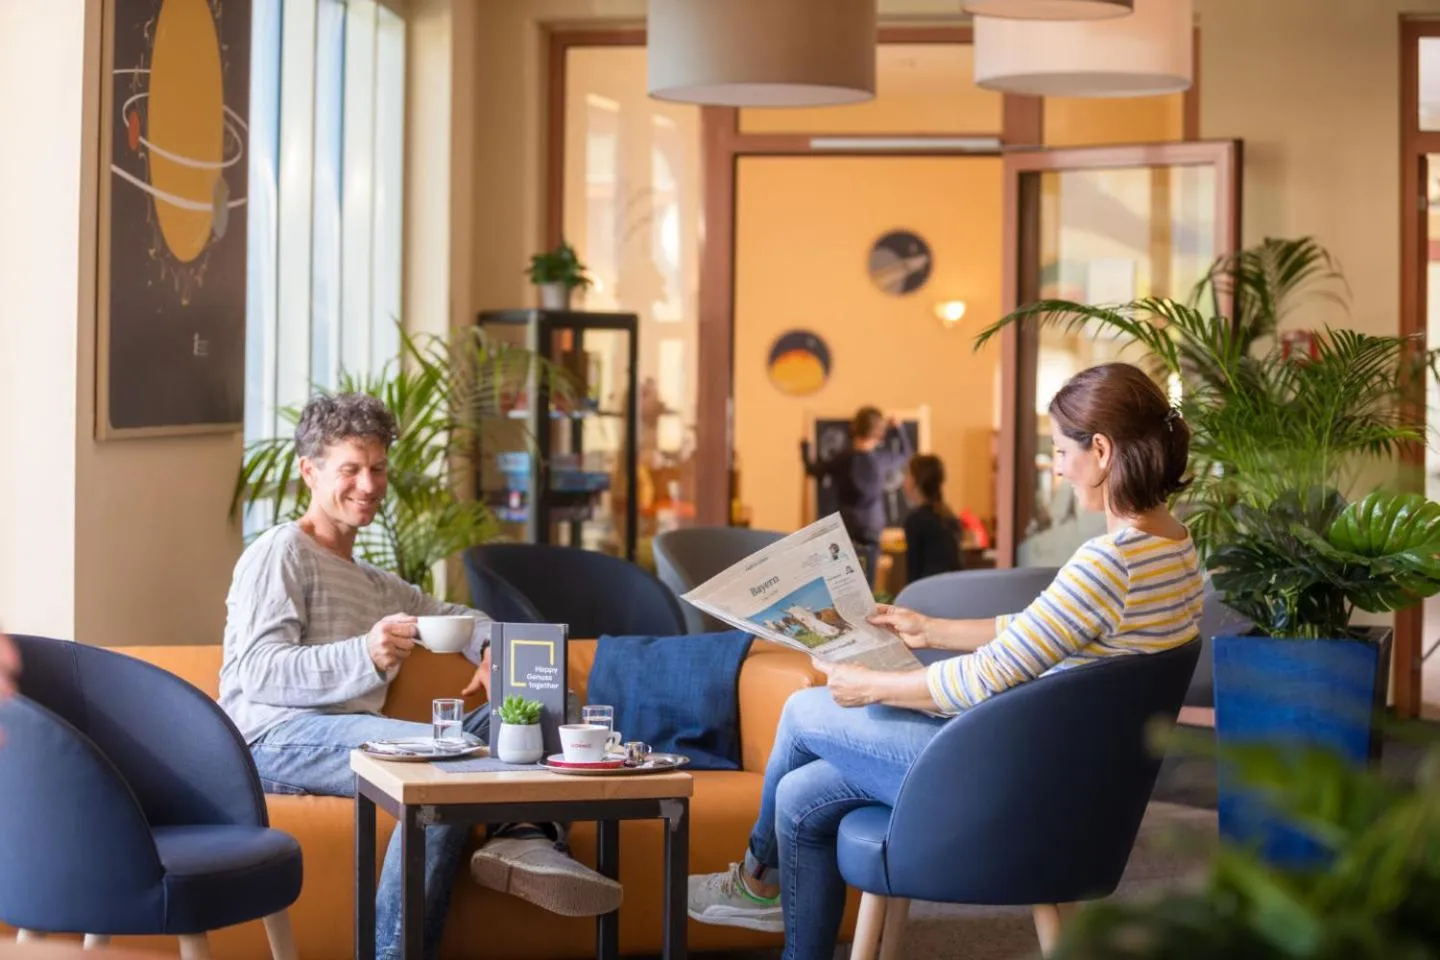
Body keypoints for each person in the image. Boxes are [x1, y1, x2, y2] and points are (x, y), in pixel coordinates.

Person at [689, 363, 1205, 960]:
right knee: (803, 793)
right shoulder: (1171, 547)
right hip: (1072, 780)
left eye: (1062, 452)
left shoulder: (1108, 562)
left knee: (805, 711)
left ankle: (755, 882)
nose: (1058, 468)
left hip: (1012, 783)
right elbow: (1045, 632)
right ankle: (781, 921)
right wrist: (928, 627)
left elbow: (982, 681)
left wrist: (873, 685)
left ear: (1102, 450)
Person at [220, 393, 621, 960]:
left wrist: (491, 651)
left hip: (356, 737)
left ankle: (523, 837)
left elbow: (467, 617)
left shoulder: (378, 583)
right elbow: (257, 674)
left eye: (378, 468)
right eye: (350, 469)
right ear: (309, 471)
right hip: (272, 738)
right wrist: (365, 654)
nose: (368, 484)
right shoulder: (280, 552)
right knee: (444, 757)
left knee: (547, 705)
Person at [802, 407, 912, 583]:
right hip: (871, 527)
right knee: (868, 584)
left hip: (845, 526)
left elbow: (813, 470)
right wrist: (899, 428)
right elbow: (905, 454)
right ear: (879, 432)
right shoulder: (881, 460)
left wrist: (805, 447)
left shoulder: (842, 459)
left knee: (844, 582)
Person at [902, 454, 964, 584]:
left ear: (914, 481)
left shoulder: (916, 521)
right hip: (953, 591)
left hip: (929, 593)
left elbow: (914, 574)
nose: (904, 479)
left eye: (907, 474)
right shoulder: (949, 517)